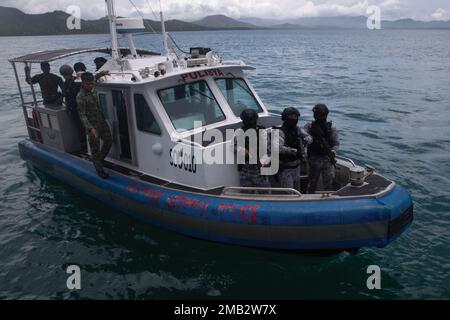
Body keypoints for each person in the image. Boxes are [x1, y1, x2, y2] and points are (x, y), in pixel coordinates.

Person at [76, 72, 112, 179]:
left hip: (101, 121)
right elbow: (82, 115)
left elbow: (95, 78)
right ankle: (99, 169)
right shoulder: (80, 97)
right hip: (92, 126)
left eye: (91, 84)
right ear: (82, 83)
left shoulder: (93, 85)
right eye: (88, 84)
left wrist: (102, 73)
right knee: (95, 149)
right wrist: (90, 128)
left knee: (109, 140)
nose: (90, 86)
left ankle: (100, 160)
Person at [274, 107, 312, 190]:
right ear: (285, 118)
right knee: (288, 194)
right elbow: (278, 148)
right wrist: (293, 151)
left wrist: (306, 140)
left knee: (297, 190)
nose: (293, 119)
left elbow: (309, 138)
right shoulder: (280, 131)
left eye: (295, 117)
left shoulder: (297, 129)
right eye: (290, 117)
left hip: (296, 167)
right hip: (285, 168)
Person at [304, 104, 340, 193]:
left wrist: (333, 151)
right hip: (313, 159)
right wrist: (310, 139)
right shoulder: (309, 126)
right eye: (319, 115)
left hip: (327, 159)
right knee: (312, 183)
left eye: (322, 115)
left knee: (329, 183)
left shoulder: (331, 127)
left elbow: (336, 143)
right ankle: (309, 198)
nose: (321, 117)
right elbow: (304, 140)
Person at [233, 109, 271, 188]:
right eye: (247, 120)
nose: (249, 123)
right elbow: (233, 146)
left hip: (259, 169)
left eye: (251, 120)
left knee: (264, 193)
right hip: (245, 169)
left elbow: (268, 149)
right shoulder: (239, 132)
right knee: (246, 193)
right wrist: (241, 150)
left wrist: (265, 161)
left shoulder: (262, 131)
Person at [60, 64, 85, 149]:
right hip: (73, 108)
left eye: (67, 74)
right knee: (79, 127)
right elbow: (66, 95)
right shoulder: (67, 83)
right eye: (65, 75)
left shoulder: (76, 81)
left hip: (78, 108)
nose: (66, 76)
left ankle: (84, 144)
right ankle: (82, 143)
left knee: (82, 126)